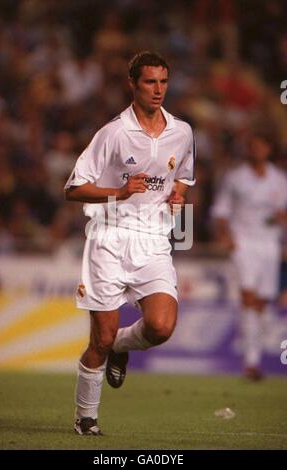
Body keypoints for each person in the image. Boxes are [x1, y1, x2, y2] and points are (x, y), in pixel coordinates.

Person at [64, 51, 196, 435]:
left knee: (160, 327)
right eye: (150, 82)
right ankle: (86, 419)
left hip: (153, 238)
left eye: (163, 82)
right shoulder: (113, 133)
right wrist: (119, 192)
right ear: (132, 85)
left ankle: (122, 345)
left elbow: (184, 175)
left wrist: (179, 195)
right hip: (108, 238)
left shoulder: (182, 131)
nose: (158, 90)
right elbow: (73, 189)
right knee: (98, 340)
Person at [211, 133, 287, 381]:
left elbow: (283, 213)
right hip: (243, 242)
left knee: (264, 303)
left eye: (261, 145)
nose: (257, 150)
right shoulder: (236, 177)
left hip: (270, 244)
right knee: (248, 296)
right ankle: (251, 362)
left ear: (269, 149)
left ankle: (253, 348)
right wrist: (226, 236)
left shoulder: (279, 180)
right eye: (252, 145)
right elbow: (221, 209)